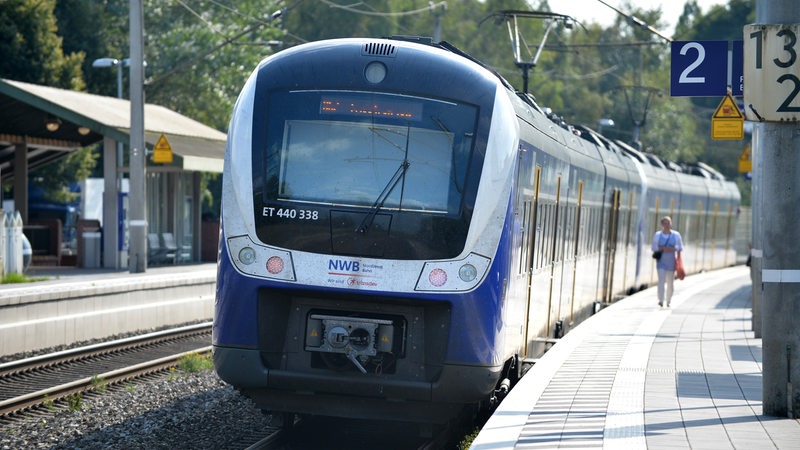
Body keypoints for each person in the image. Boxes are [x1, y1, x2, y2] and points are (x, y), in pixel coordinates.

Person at [652, 216, 683, 307]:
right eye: (665, 223)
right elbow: (653, 247)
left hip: (671, 262)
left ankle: (668, 300)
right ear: (662, 224)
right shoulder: (658, 235)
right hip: (661, 262)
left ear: (671, 224)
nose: (667, 225)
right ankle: (661, 300)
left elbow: (680, 247)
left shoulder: (676, 235)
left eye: (668, 223)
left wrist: (673, 248)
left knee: (670, 282)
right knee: (661, 280)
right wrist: (660, 248)